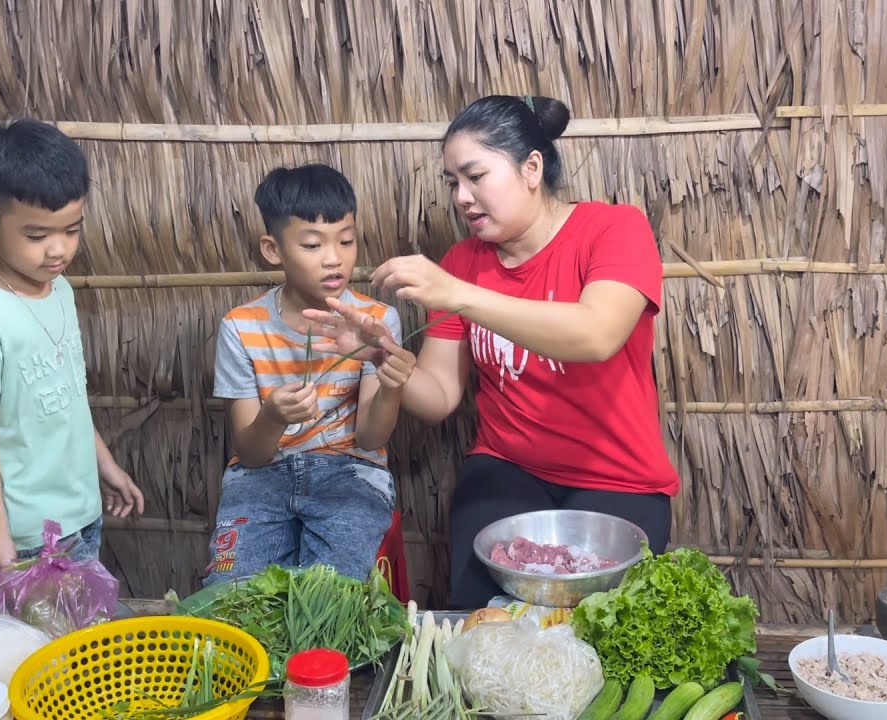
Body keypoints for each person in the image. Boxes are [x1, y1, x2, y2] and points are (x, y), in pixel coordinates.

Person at [304, 95, 681, 608]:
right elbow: (437, 395)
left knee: (599, 633)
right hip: (507, 468)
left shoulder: (613, 230)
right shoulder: (463, 262)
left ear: (531, 167)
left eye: (475, 176)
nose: (461, 196)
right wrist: (381, 354)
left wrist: (459, 294)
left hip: (617, 476)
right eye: (452, 183)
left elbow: (597, 335)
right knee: (482, 615)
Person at [0, 119, 145, 578]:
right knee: (47, 648)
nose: (58, 250)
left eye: (72, 230)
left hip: (83, 512)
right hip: (29, 535)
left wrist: (107, 467)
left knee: (77, 643)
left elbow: (70, 397)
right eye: (37, 236)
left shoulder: (60, 290)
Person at [204, 164, 416, 586]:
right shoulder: (241, 327)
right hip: (261, 475)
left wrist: (391, 382)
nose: (334, 258)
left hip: (351, 471)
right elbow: (250, 453)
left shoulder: (376, 320)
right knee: (232, 595)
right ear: (273, 249)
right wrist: (273, 417)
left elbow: (372, 439)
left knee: (331, 596)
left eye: (346, 240)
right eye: (313, 244)